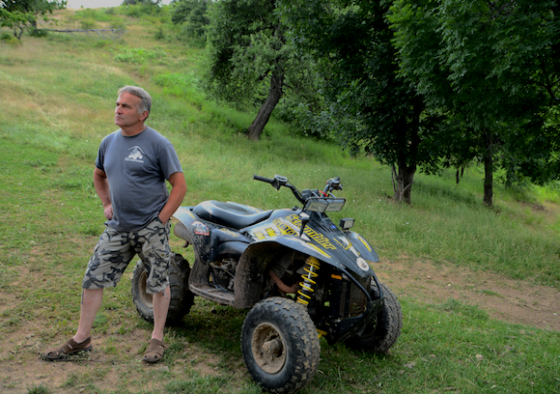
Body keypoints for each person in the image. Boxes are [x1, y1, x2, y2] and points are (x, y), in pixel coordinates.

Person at [42, 86, 187, 363]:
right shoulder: (108, 142)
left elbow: (179, 186)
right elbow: (99, 175)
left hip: (150, 227)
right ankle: (81, 338)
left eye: (126, 106)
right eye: (117, 104)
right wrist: (106, 204)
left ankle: (157, 340)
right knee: (92, 277)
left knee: (158, 282)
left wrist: (161, 220)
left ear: (143, 114)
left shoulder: (159, 144)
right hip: (118, 226)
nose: (118, 110)